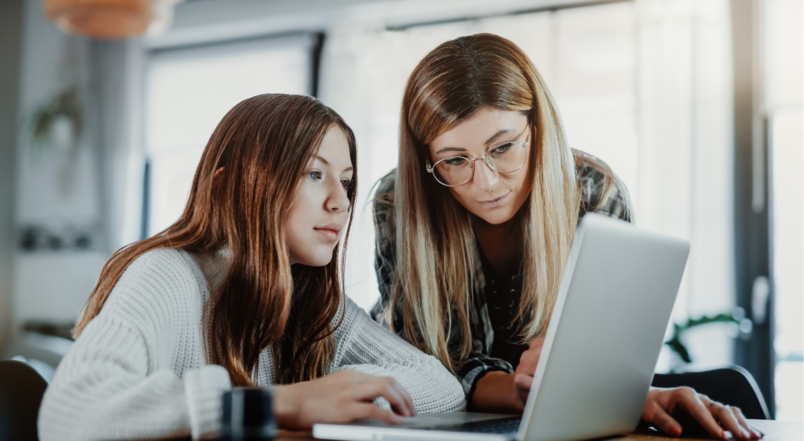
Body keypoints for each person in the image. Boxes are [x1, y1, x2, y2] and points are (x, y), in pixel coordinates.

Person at [371, 34, 762, 440]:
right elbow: (432, 372)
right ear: (427, 159)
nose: (485, 182)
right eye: (454, 160)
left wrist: (594, 390)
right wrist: (545, 392)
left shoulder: (594, 193)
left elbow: (604, 361)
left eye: (503, 147)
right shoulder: (398, 204)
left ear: (538, 129)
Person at [38, 94, 465, 441]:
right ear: (231, 185)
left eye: (347, 180)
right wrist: (281, 402)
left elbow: (442, 388)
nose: (341, 201)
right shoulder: (167, 275)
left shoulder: (310, 301)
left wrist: (344, 387)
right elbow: (69, 413)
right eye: (314, 174)